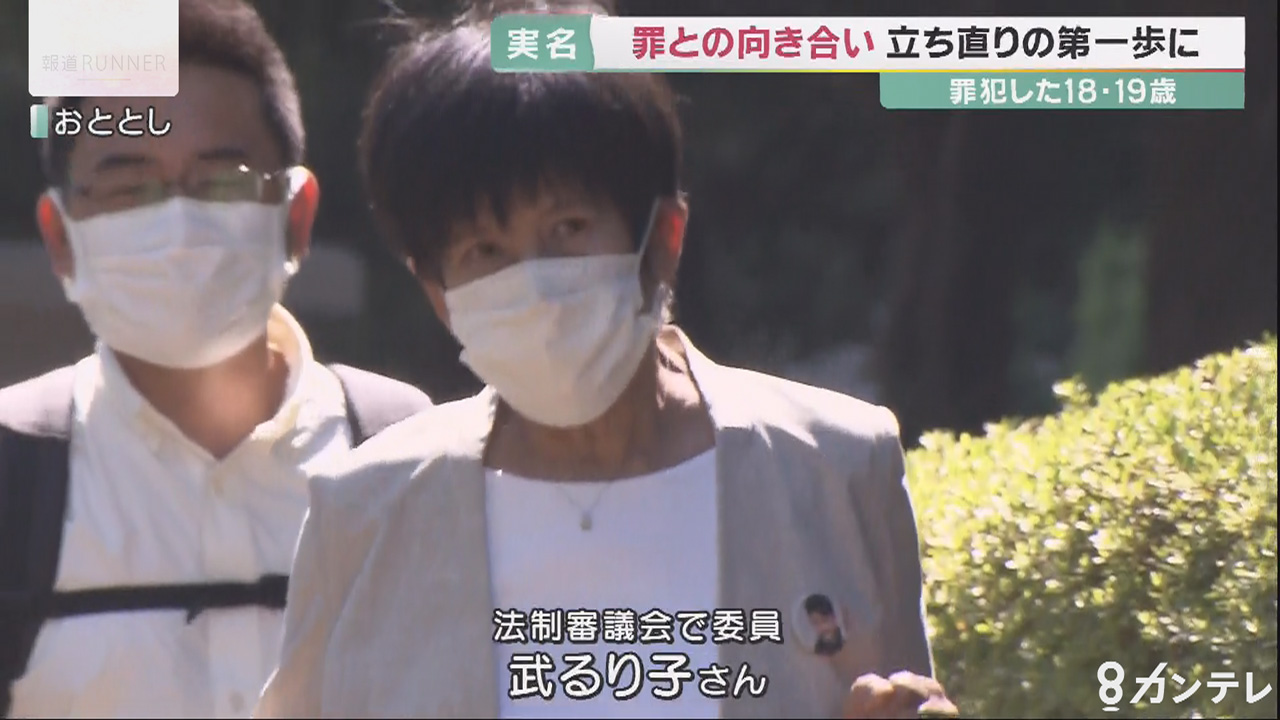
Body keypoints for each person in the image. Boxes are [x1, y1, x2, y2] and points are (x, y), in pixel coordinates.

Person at [257, 3, 957, 719]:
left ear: (663, 240)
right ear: (439, 293)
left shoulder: (836, 469)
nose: (532, 280)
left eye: (567, 227)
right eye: (483, 250)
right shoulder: (364, 513)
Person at [0, 1, 433, 717]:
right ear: (61, 239)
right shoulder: (14, 470)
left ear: (295, 216)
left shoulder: (403, 455)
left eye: (223, 179)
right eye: (128, 186)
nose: (177, 221)